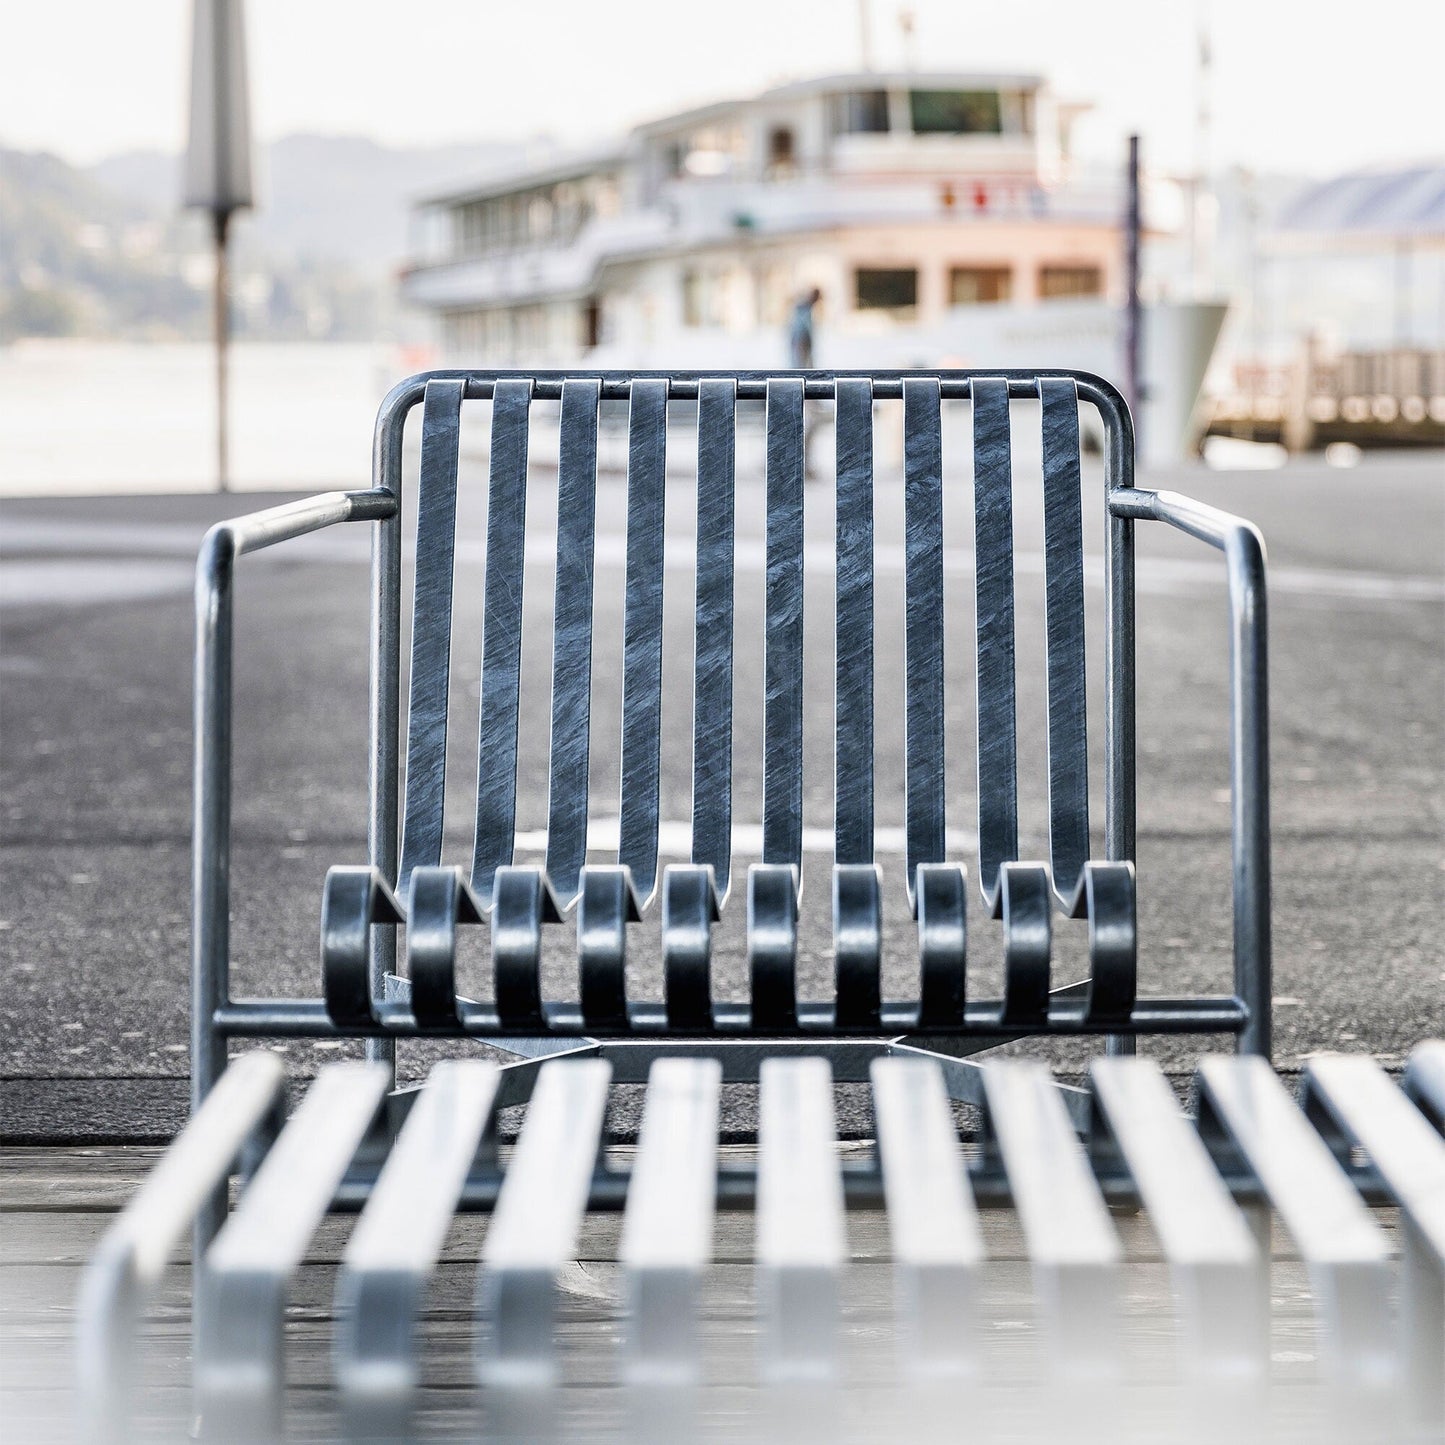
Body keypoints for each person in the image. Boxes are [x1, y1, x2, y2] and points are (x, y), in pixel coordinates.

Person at [787, 287, 822, 370]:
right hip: (801, 341)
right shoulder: (803, 308)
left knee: (806, 365)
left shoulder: (807, 307)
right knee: (800, 367)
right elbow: (800, 328)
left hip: (804, 341)